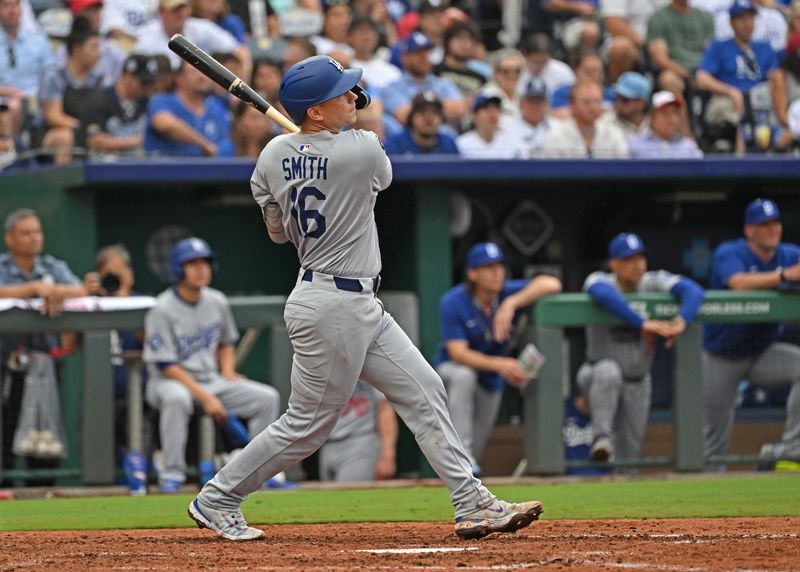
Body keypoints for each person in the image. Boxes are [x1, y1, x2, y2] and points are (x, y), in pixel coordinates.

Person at [188, 54, 543, 541]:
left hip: (352, 302)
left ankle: (471, 501)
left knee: (425, 390)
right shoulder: (362, 150)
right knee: (307, 425)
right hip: (331, 305)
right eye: (343, 92)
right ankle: (218, 497)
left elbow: (276, 231)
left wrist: (302, 151)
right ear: (314, 110)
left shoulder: (271, 156)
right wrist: (320, 146)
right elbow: (376, 167)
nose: (355, 96)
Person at [143, 238, 283, 492]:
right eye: (192, 264)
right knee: (178, 399)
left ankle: (258, 471)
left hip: (211, 379)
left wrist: (228, 370)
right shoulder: (161, 308)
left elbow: (226, 342)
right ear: (177, 269)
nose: (201, 269)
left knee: (267, 398)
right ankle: (171, 473)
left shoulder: (216, 300)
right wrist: (205, 396)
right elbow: (166, 364)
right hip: (169, 382)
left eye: (205, 262)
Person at [434, 242, 562, 475]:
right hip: (451, 374)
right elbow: (458, 353)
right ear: (472, 273)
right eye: (488, 267)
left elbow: (552, 283)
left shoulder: (505, 293)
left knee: (476, 449)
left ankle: (465, 472)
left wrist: (511, 304)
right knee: (464, 376)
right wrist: (502, 364)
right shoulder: (453, 300)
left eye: (499, 266)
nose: (497, 272)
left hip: (491, 378)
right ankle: (461, 459)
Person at [578, 233, 704, 463]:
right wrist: (641, 323)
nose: (637, 264)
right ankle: (601, 438)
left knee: (629, 457)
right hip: (596, 375)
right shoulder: (600, 279)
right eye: (628, 259)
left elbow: (694, 291)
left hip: (637, 380)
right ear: (614, 264)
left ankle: (621, 484)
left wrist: (681, 322)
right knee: (608, 371)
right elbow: (601, 295)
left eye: (640, 257)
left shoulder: (652, 281)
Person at [703, 198, 800, 467]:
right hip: (720, 355)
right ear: (749, 230)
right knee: (713, 444)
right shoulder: (730, 252)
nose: (772, 229)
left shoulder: (790, 254)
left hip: (762, 352)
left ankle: (792, 448)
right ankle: (707, 499)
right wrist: (784, 277)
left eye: (775, 223)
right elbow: (737, 282)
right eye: (764, 224)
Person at [0, 209, 87, 485]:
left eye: (37, 232)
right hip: (6, 365)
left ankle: (42, 491)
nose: (33, 238)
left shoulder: (51, 266)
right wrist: (31, 289)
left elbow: (83, 289)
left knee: (45, 434)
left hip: (46, 365)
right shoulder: (3, 267)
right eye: (26, 233)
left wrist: (55, 292)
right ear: (9, 238)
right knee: (5, 432)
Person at [696, 0, 781, 152]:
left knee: (765, 99)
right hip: (729, 99)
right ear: (731, 22)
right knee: (730, 108)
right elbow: (702, 78)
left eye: (750, 18)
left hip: (759, 99)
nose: (747, 23)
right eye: (741, 18)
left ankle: (778, 138)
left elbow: (776, 76)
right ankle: (724, 146)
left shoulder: (764, 47)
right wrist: (730, 91)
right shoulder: (719, 47)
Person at [144, 62, 234, 157]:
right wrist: (205, 145)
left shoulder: (217, 107)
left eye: (205, 72)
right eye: (195, 71)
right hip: (167, 168)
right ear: (180, 79)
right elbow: (164, 124)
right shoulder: (163, 100)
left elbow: (225, 140)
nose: (202, 76)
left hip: (208, 170)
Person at [318, 379, 397, 481]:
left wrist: (387, 455)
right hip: (327, 443)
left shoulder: (369, 365)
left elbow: (384, 407)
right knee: (327, 496)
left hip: (359, 441)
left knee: (347, 495)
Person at [539, 80, 630, 157]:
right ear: (572, 104)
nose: (592, 108)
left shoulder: (614, 134)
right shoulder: (556, 136)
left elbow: (625, 170)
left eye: (597, 101)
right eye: (586, 102)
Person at [647, 0, 715, 90]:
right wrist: (686, 74)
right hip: (677, 70)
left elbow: (712, 52)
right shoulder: (658, 18)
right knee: (668, 79)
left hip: (703, 70)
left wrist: (703, 73)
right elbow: (661, 59)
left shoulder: (705, 17)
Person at [628, 91, 704, 158]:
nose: (672, 120)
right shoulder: (635, 145)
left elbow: (703, 171)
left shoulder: (689, 147)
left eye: (675, 114)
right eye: (665, 114)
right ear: (651, 116)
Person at [384, 90, 459, 154]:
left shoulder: (448, 144)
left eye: (435, 112)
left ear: (441, 118)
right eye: (422, 112)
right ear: (412, 117)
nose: (429, 118)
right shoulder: (395, 144)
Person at [455, 95, 521, 158]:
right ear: (474, 115)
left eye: (496, 109)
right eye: (487, 109)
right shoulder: (461, 145)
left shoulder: (512, 144)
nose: (493, 114)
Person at [597, 71, 652, 137]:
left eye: (625, 100)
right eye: (617, 97)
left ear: (641, 104)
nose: (619, 103)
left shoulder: (653, 125)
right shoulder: (605, 121)